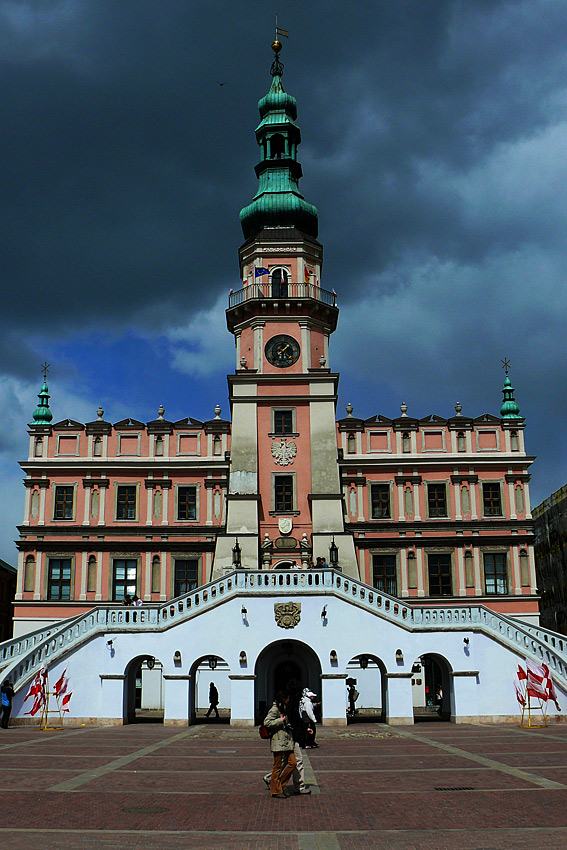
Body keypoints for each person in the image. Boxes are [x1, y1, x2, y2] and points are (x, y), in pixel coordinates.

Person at [263, 679, 311, 794]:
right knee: (294, 761)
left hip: (289, 736)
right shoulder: (288, 704)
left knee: (287, 762)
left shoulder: (289, 703)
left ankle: (271, 779)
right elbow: (269, 722)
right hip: (289, 737)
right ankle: (297, 786)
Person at [263, 691, 297, 798]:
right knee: (277, 766)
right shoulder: (274, 709)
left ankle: (280, 784)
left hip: (286, 740)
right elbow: (267, 722)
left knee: (293, 763)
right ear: (283, 699)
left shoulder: (284, 709)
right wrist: (281, 720)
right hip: (278, 740)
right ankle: (275, 790)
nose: (288, 701)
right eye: (287, 699)